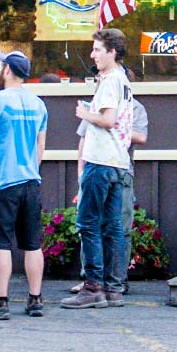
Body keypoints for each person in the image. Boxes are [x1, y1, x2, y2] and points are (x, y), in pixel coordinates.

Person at [61, 28, 133, 310]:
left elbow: (108, 119)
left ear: (111, 52)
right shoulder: (124, 80)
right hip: (118, 160)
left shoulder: (110, 81)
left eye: (97, 49)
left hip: (101, 159)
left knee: (88, 223)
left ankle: (93, 287)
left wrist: (84, 113)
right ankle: (113, 288)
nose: (92, 54)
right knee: (113, 226)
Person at [0, 51, 48, 320]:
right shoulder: (38, 104)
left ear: (7, 70)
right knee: (32, 244)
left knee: (1, 244)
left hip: (4, 181)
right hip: (30, 180)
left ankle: (0, 301)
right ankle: (35, 299)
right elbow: (40, 147)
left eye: (0, 65)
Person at [71, 67, 148, 294]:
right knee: (91, 223)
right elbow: (83, 141)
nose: (99, 80)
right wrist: (80, 174)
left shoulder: (135, 107)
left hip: (118, 167)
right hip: (94, 166)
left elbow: (141, 136)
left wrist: (114, 123)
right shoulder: (95, 103)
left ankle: (116, 281)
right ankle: (92, 278)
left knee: (116, 225)